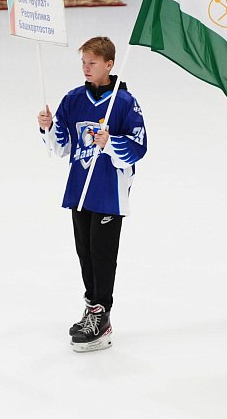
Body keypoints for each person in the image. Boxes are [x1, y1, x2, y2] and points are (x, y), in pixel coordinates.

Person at [37, 36, 147, 352]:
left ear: (109, 65)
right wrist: (47, 127)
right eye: (83, 62)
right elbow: (60, 147)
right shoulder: (73, 99)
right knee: (85, 252)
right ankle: (92, 308)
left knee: (102, 255)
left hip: (109, 192)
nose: (86, 68)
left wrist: (110, 143)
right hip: (79, 189)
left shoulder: (124, 102)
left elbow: (139, 147)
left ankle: (103, 317)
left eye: (93, 63)